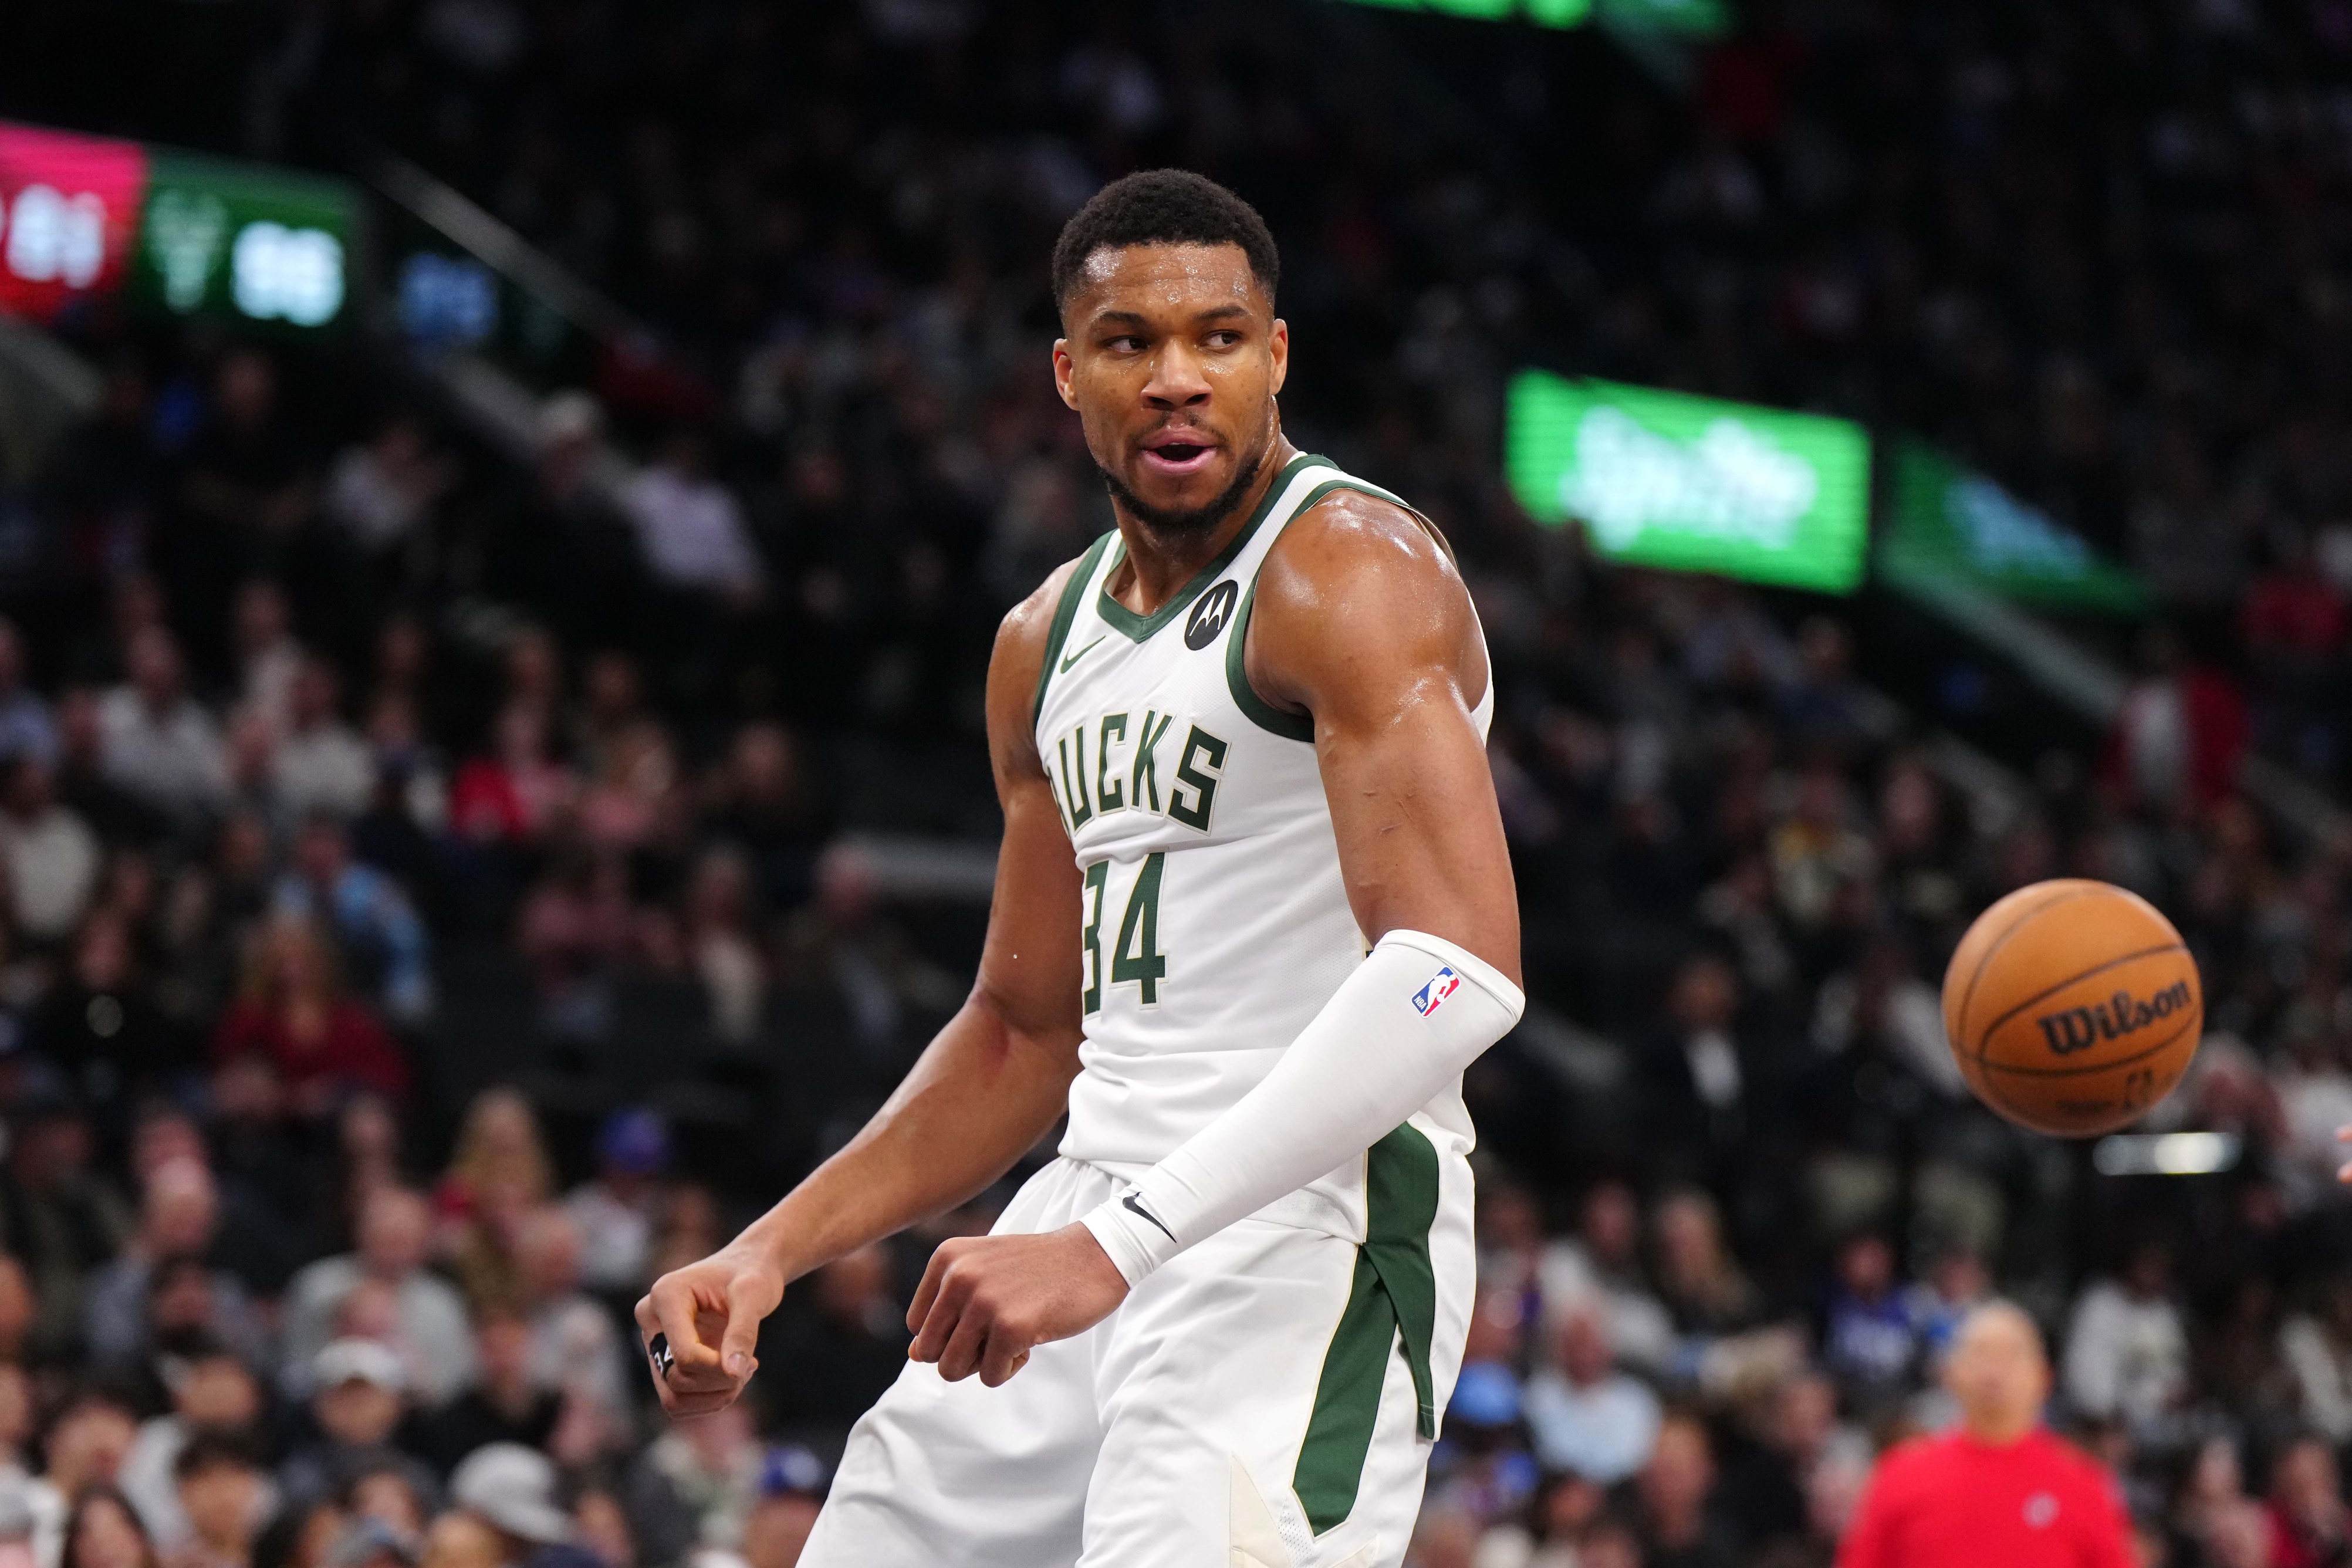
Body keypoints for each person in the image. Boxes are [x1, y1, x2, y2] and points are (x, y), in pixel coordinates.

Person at [637, 170, 1525, 1566]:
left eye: (1218, 338)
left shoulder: (1348, 571)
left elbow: (1453, 973)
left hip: (1306, 1230)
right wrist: (766, 1250)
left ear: (1275, 355)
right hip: (1085, 1205)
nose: (1177, 379)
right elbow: (1019, 1029)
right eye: (1129, 343)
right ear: (1067, 372)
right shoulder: (1040, 641)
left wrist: (1119, 1242)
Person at [1836, 1302, 2134, 1568]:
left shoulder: (2084, 1486)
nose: (1994, 1371)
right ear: (1950, 1373)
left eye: (2010, 1356)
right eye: (1981, 1353)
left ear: (2043, 1377)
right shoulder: (1899, 1475)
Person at [280, 1189, 475, 1409]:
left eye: (404, 1240)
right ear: (362, 1233)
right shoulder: (317, 1287)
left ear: (424, 1242)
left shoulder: (442, 1305)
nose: (395, 1251)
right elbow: (292, 1371)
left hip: (419, 1424)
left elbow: (457, 1386)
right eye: (385, 1237)